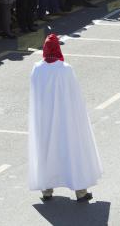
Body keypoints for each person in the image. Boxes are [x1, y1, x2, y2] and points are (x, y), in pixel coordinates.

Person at [29, 34, 101, 201]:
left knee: (46, 150)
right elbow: (75, 96)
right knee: (71, 150)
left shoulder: (37, 69)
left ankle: (46, 189)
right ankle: (80, 190)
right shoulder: (65, 69)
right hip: (65, 119)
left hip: (44, 120)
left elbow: (34, 94)